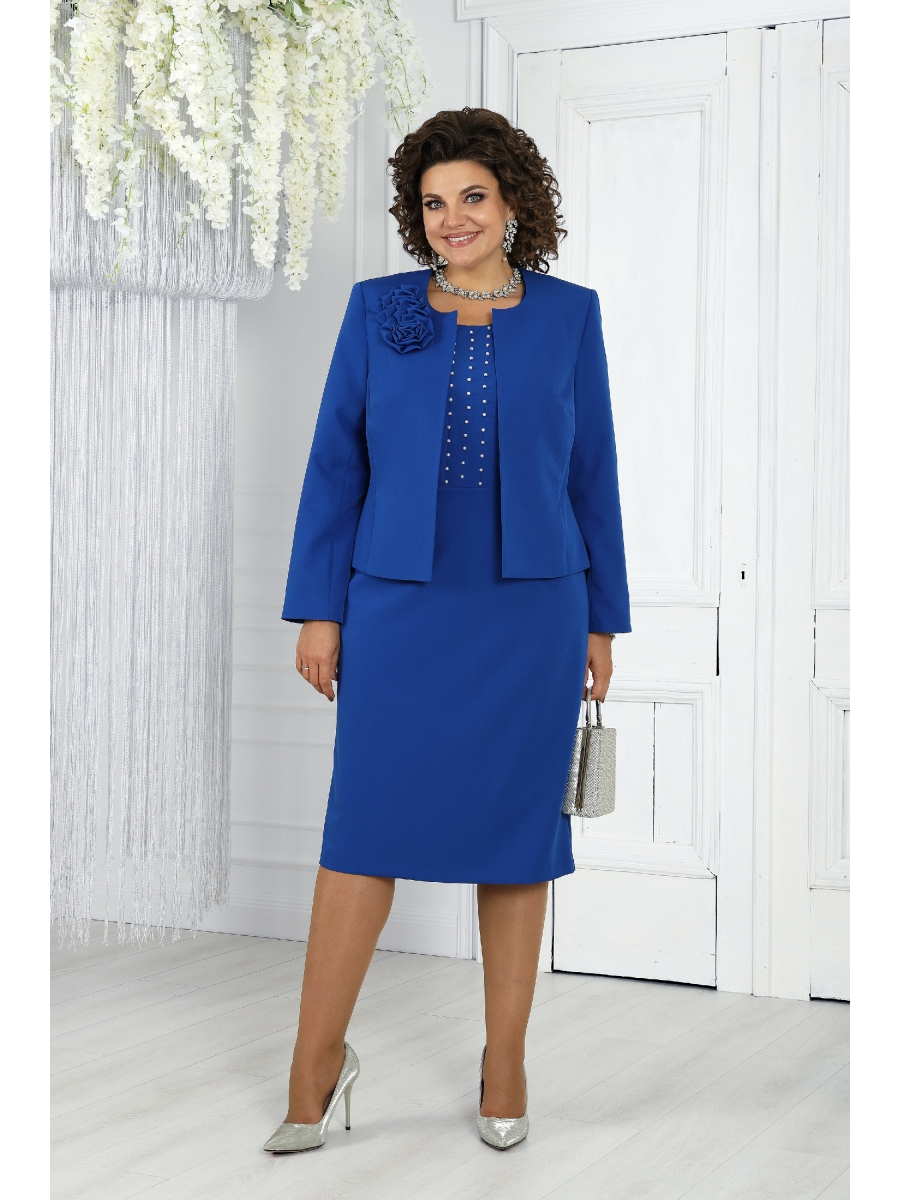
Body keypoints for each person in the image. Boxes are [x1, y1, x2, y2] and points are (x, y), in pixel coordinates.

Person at [264, 107, 630, 1155]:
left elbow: (592, 473)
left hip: (533, 614)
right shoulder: (376, 309)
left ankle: (505, 1062)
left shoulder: (570, 316)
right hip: (397, 610)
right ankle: (314, 1065)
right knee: (362, 832)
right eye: (432, 203)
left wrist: (603, 621)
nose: (452, 218)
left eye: (472, 196)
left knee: (518, 839)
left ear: (514, 203)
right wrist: (321, 608)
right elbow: (336, 465)